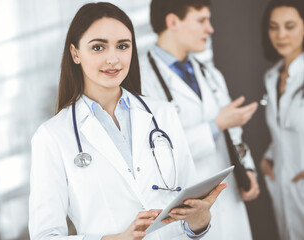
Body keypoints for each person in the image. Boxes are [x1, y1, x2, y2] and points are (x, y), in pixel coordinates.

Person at [28, 2, 226, 240]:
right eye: (99, 47)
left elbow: (190, 210)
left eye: (122, 46)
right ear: (75, 53)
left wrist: (200, 221)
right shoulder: (52, 136)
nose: (113, 59)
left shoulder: (163, 115)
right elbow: (44, 236)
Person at [140, 0, 260, 239]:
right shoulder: (143, 80)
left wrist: (248, 170)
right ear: (173, 21)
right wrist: (216, 125)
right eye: (201, 20)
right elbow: (155, 152)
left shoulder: (210, 74)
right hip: (188, 207)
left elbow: (234, 134)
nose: (210, 29)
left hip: (230, 196)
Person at [260, 0, 304, 239]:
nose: (281, 35)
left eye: (290, 26)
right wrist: (269, 156)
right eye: (274, 27)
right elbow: (283, 129)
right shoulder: (272, 76)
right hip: (283, 184)